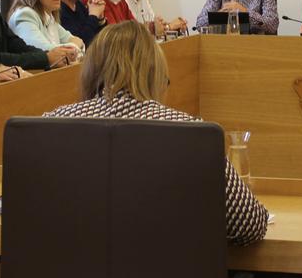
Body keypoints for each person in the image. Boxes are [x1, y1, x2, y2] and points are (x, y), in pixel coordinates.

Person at [43, 21, 269, 246]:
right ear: (155, 74)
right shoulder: (192, 134)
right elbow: (250, 224)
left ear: (90, 71)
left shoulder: (49, 127)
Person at [9, 0, 86, 54]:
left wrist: (73, 47)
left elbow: (79, 42)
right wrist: (74, 47)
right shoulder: (25, 15)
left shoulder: (49, 17)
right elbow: (43, 50)